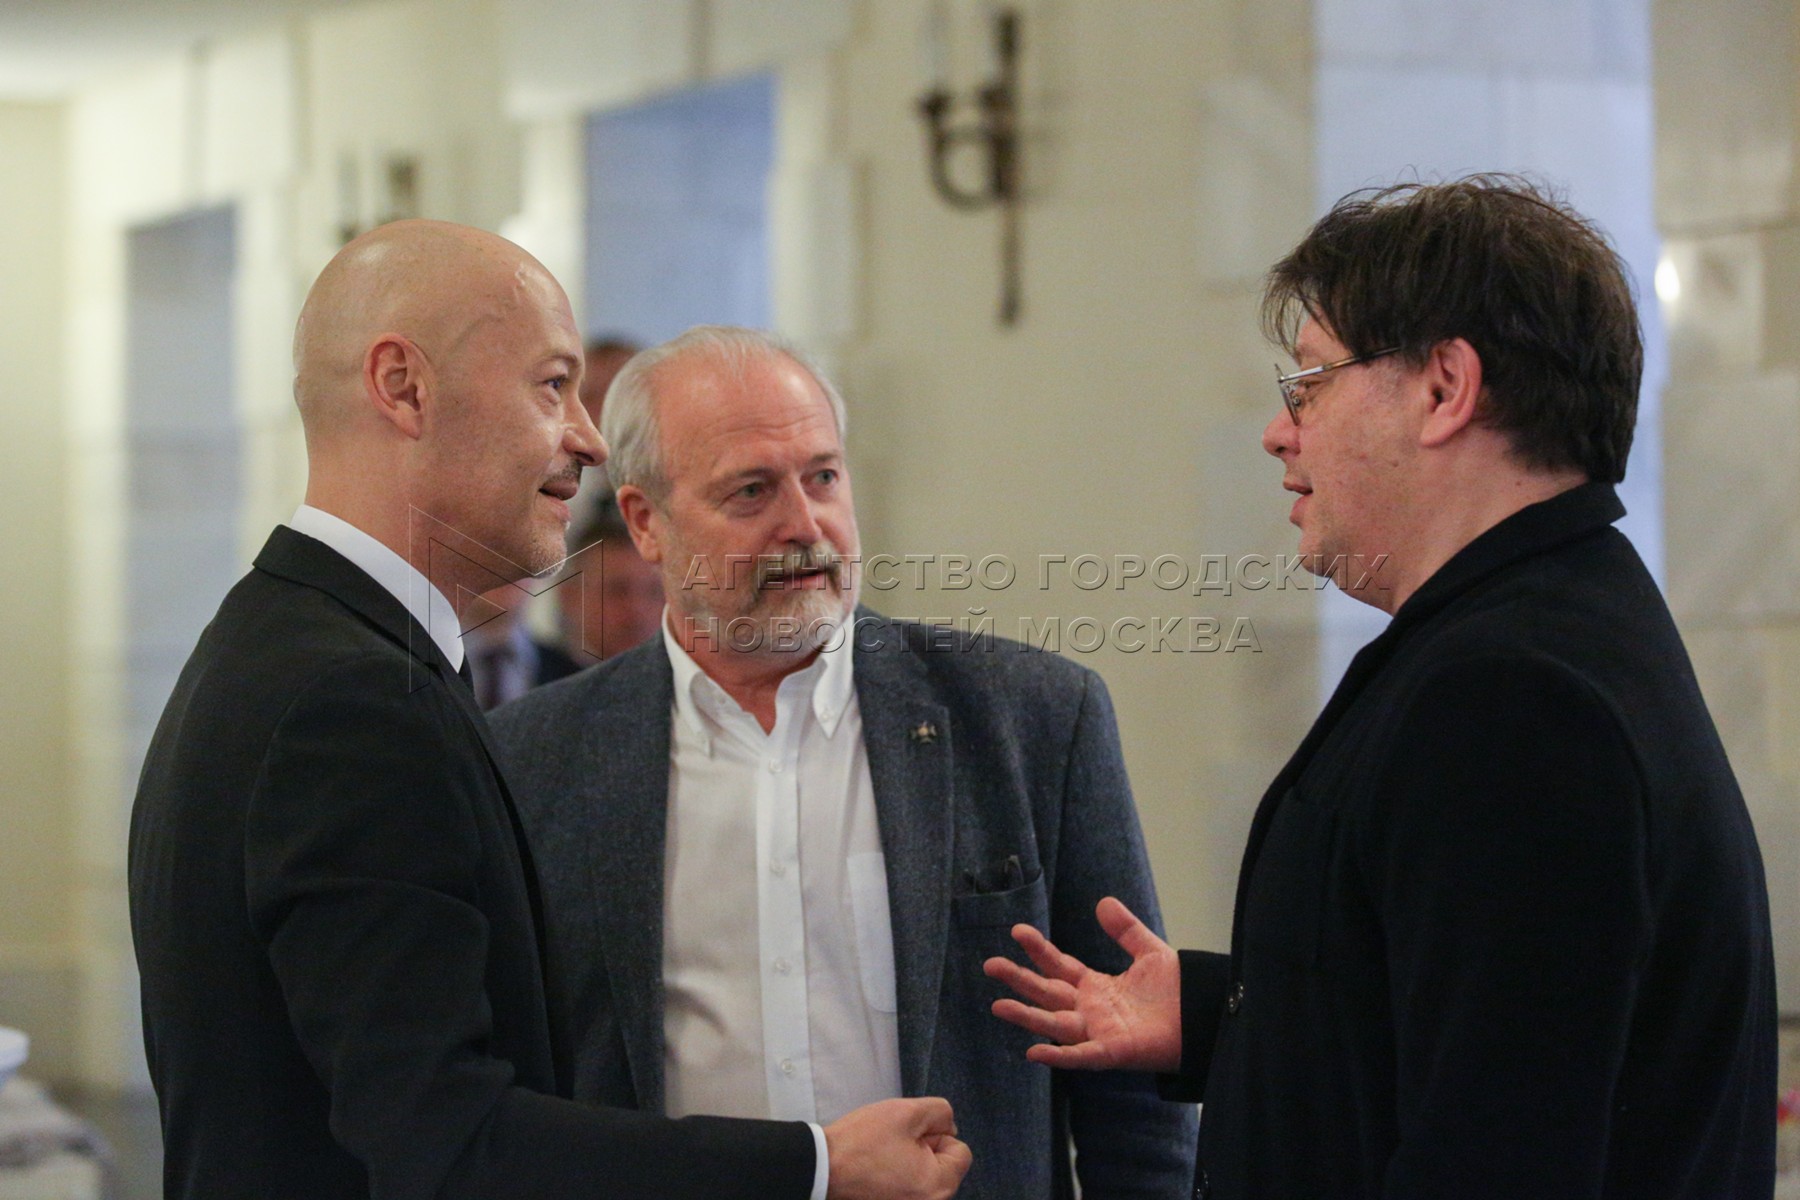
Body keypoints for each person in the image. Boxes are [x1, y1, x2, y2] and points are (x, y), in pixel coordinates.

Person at [127, 221, 970, 1200]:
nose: (590, 439)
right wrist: (820, 1165)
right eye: (552, 384)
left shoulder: (288, 640)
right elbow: (449, 1146)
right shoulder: (352, 701)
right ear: (403, 387)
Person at [984, 178, 1778, 1200]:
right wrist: (1228, 1012)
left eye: (1310, 382)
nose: (1280, 432)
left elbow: (1500, 1150)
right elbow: (1488, 1034)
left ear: (1445, 389)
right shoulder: (1549, 620)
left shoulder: (1513, 697)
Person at [490, 325, 1196, 1199]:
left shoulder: (1030, 720)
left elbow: (1133, 1090)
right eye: (752, 491)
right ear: (646, 523)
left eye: (823, 476)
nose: (806, 525)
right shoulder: (534, 760)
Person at [550, 499, 666, 668]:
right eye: (617, 591)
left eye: (655, 592)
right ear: (569, 596)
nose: (637, 609)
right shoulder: (528, 675)